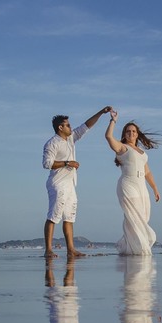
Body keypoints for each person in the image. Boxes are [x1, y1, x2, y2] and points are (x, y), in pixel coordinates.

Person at [43, 106, 112, 258]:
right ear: (60, 127)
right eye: (67, 125)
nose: (70, 127)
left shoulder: (71, 138)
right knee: (54, 216)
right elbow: (47, 164)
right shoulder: (52, 143)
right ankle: (48, 249)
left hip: (70, 184)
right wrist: (68, 163)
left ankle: (71, 249)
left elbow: (87, 125)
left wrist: (101, 112)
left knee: (69, 216)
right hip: (57, 183)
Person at [105, 111, 161, 256]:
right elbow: (108, 136)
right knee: (134, 216)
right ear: (125, 134)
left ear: (137, 134)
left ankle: (128, 246)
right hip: (128, 185)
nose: (131, 133)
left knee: (143, 217)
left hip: (141, 186)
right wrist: (113, 121)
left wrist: (154, 188)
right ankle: (140, 250)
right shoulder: (122, 147)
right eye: (128, 131)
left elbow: (147, 172)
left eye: (134, 131)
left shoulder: (142, 152)